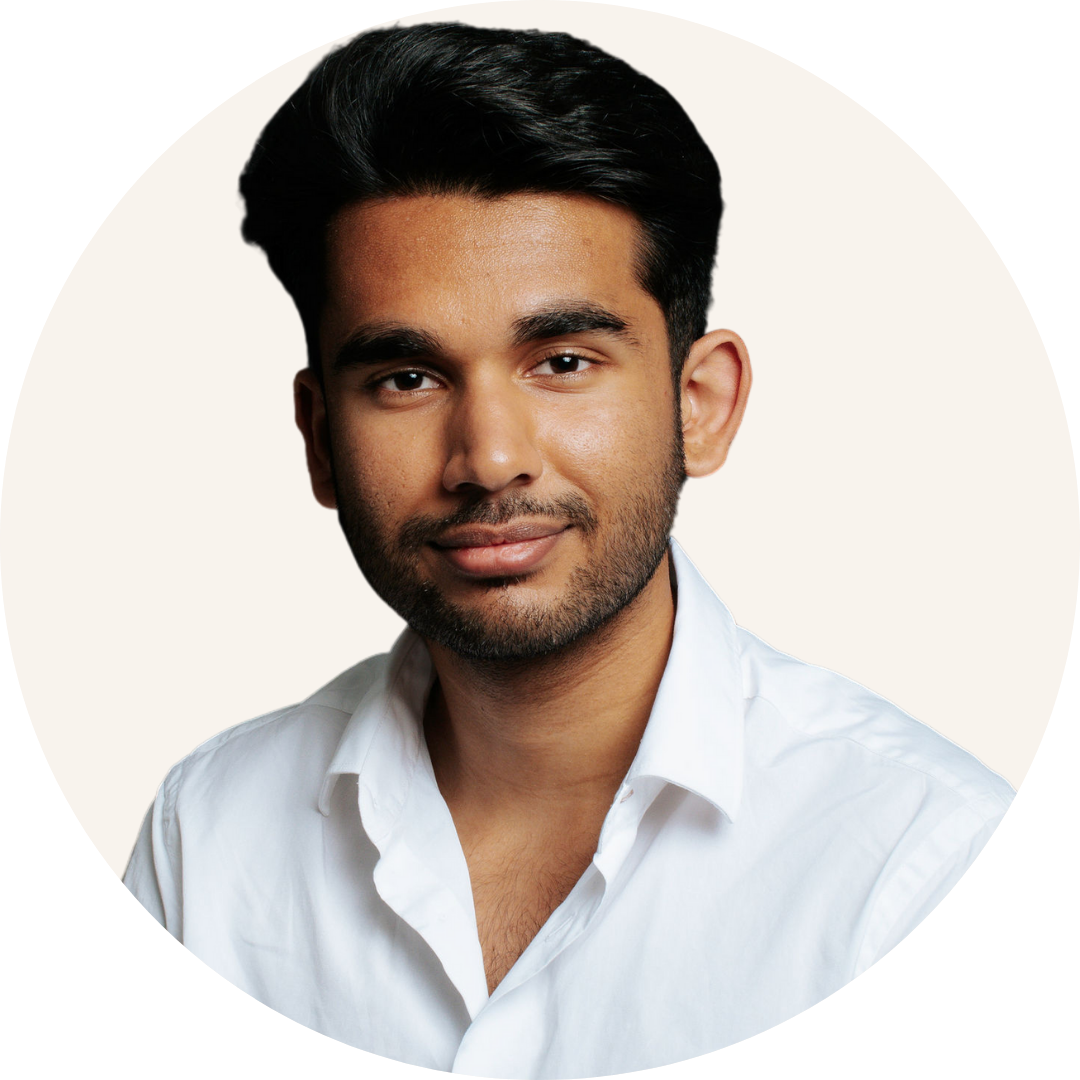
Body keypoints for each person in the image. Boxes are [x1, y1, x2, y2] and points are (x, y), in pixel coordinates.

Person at [122, 22, 1014, 1074]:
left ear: (700, 404)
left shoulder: (918, 860)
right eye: (406, 378)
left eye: (562, 362)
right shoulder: (209, 835)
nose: (489, 460)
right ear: (320, 439)